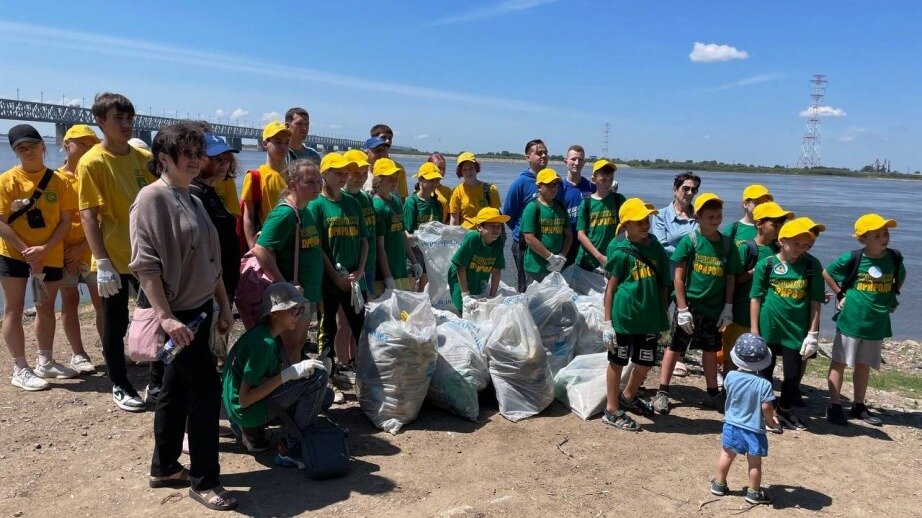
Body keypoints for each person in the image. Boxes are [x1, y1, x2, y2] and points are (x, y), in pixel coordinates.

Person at [130, 123, 236, 511]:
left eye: (198, 153)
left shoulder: (191, 195)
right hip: (179, 316)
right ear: (164, 159)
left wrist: (223, 305)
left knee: (174, 391)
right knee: (205, 395)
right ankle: (205, 480)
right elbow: (146, 266)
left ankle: (165, 467)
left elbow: (213, 259)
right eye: (187, 154)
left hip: (201, 309)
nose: (196, 160)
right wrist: (166, 318)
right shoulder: (151, 199)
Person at [77, 92, 155, 411]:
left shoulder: (140, 159)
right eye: (117, 119)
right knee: (115, 322)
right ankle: (120, 384)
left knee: (153, 317)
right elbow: (88, 216)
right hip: (113, 260)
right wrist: (103, 262)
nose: (125, 124)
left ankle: (158, 378)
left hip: (146, 257)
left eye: (129, 119)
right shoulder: (92, 162)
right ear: (100, 122)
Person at [0, 124, 79, 391]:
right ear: (15, 152)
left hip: (50, 254)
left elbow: (66, 221)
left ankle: (45, 360)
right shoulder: (6, 180)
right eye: (21, 147)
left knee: (46, 307)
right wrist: (26, 250)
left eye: (32, 145)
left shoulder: (59, 181)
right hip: (13, 254)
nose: (28, 151)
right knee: (14, 308)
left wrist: (44, 250)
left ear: (43, 146)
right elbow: (1, 222)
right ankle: (20, 368)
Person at [223, 282, 331, 469]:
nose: (298, 315)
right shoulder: (263, 344)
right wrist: (288, 375)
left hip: (242, 409)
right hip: (246, 410)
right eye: (292, 310)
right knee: (319, 379)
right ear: (273, 313)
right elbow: (245, 399)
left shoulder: (267, 335)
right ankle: (289, 449)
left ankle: (253, 433)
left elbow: (262, 379)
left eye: (300, 309)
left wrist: (292, 375)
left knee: (326, 397)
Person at [655, 193, 740, 415]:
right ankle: (663, 390)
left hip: (714, 308)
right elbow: (678, 278)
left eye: (718, 215)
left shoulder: (727, 244)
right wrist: (682, 308)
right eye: (710, 216)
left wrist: (728, 307)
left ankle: (712, 392)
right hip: (690, 306)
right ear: (698, 217)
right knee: (675, 346)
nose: (715, 220)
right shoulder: (691, 240)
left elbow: (730, 279)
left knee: (710, 349)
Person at [823, 214, 905, 426]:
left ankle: (858, 405)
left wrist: (892, 297)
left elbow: (900, 277)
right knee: (839, 362)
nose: (884, 238)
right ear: (862, 239)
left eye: (885, 233)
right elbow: (828, 272)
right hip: (851, 320)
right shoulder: (853, 258)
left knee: (864, 365)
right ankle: (834, 405)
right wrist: (840, 294)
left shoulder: (894, 257)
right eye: (877, 235)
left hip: (876, 322)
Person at [750, 217, 826, 431]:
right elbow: (755, 298)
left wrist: (813, 333)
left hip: (795, 330)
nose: (800, 249)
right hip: (769, 328)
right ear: (782, 241)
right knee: (765, 373)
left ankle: (784, 409)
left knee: (792, 375)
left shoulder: (812, 265)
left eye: (806, 245)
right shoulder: (767, 264)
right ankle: (765, 411)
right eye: (796, 244)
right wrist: (755, 330)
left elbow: (815, 302)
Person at [601, 198, 670, 431]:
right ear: (625, 226)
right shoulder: (620, 251)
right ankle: (611, 409)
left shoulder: (656, 247)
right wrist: (607, 322)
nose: (645, 225)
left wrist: (663, 312)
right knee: (617, 361)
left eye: (646, 220)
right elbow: (610, 289)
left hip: (649, 318)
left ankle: (628, 395)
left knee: (645, 360)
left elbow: (663, 282)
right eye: (638, 222)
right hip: (624, 319)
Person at [307, 152, 367, 391]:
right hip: (328, 281)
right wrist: (335, 276)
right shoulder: (317, 205)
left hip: (353, 281)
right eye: (338, 173)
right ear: (324, 174)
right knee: (327, 329)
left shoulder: (353, 203)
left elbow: (364, 241)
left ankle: (365, 376)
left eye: (346, 173)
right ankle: (327, 380)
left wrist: (360, 272)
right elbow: (319, 247)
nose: (343, 177)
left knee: (361, 327)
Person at [252, 159, 324, 360]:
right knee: (288, 347)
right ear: (292, 184)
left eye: (319, 182)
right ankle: (285, 387)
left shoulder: (306, 210)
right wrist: (285, 284)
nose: (317, 187)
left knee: (298, 344)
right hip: (292, 296)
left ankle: (293, 385)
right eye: (310, 182)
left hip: (307, 292)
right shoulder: (285, 213)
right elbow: (261, 249)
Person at [721, 202, 794, 374]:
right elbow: (731, 280)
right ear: (759, 223)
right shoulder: (746, 248)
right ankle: (728, 389)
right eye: (773, 223)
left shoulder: (780, 250)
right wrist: (754, 272)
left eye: (780, 223)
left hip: (766, 316)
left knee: (760, 358)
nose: (778, 227)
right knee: (732, 355)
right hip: (741, 312)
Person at [710, 333, 778, 506]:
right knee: (754, 463)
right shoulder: (764, 384)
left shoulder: (731, 377)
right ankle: (754, 492)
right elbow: (766, 408)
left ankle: (719, 484)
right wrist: (771, 422)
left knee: (726, 454)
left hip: (731, 424)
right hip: (754, 429)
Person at [58, 124, 103, 374]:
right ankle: (78, 353)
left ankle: (110, 347)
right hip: (65, 254)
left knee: (102, 303)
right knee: (69, 300)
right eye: (81, 143)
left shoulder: (94, 173)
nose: (87, 148)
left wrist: (84, 246)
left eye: (91, 144)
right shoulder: (56, 179)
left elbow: (102, 218)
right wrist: (68, 253)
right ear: (67, 144)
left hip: (93, 251)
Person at [503, 139, 563, 292]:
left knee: (551, 289)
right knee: (527, 287)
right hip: (524, 244)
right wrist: (523, 232)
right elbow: (508, 213)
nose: (543, 156)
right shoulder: (521, 182)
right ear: (528, 157)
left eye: (545, 153)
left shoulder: (555, 180)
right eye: (538, 153)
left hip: (550, 242)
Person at [190, 133, 241, 308]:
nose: (224, 164)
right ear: (199, 159)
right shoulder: (194, 194)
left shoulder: (210, 192)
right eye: (217, 158)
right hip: (208, 291)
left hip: (222, 285)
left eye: (227, 159)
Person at [240, 121, 291, 250]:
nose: (283, 147)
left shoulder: (294, 175)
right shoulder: (255, 176)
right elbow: (249, 217)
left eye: (287, 142)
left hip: (293, 240)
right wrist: (253, 248)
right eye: (278, 142)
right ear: (265, 144)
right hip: (268, 242)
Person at [372, 158, 419, 294]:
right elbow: (380, 246)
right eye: (389, 178)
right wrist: (387, 276)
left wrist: (414, 261)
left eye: (396, 178)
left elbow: (402, 234)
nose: (394, 182)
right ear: (378, 180)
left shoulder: (397, 201)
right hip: (385, 271)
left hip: (400, 267)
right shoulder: (377, 206)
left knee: (401, 311)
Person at [448, 207, 507, 316]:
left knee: (480, 309)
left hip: (479, 276)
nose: (496, 230)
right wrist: (465, 295)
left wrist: (492, 296)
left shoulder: (498, 242)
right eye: (492, 226)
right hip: (459, 277)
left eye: (498, 226)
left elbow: (496, 271)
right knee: (464, 309)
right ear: (480, 227)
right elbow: (460, 266)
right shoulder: (473, 238)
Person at [519, 169, 571, 286]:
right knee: (536, 302)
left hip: (556, 267)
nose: (553, 188)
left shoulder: (561, 207)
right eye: (548, 185)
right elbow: (529, 238)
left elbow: (568, 235)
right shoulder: (532, 207)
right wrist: (550, 257)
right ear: (539, 186)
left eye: (555, 185)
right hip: (535, 267)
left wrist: (562, 256)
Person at [575, 159, 626, 273]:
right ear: (593, 179)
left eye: (611, 179)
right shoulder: (587, 202)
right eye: (603, 179)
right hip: (588, 260)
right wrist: (599, 257)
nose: (607, 183)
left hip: (612, 257)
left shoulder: (619, 200)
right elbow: (581, 234)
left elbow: (625, 229)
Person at [404, 162, 444, 291]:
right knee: (410, 287)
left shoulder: (437, 204)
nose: (434, 183)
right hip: (414, 252)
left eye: (437, 180)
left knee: (424, 290)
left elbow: (440, 228)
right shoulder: (412, 202)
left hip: (430, 252)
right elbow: (407, 231)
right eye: (430, 179)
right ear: (420, 179)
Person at [560, 145, 596, 265]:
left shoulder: (591, 187)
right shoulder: (559, 188)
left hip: (586, 244)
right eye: (573, 159)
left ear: (584, 163)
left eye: (580, 160)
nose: (576, 162)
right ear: (566, 161)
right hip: (565, 244)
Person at [448, 152, 500, 229]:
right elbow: (454, 219)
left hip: (485, 235)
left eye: (471, 168)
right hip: (466, 235)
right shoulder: (457, 191)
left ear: (476, 168)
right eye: (464, 169)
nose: (468, 172)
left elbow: (496, 217)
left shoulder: (490, 189)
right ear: (460, 171)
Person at [362, 125, 409, 198]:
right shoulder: (360, 167)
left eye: (390, 138)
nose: (388, 141)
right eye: (383, 137)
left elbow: (402, 197)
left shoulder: (398, 168)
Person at [427, 152, 452, 222]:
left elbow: (450, 216)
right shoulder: (421, 189)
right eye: (438, 168)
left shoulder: (448, 191)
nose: (441, 171)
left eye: (444, 168)